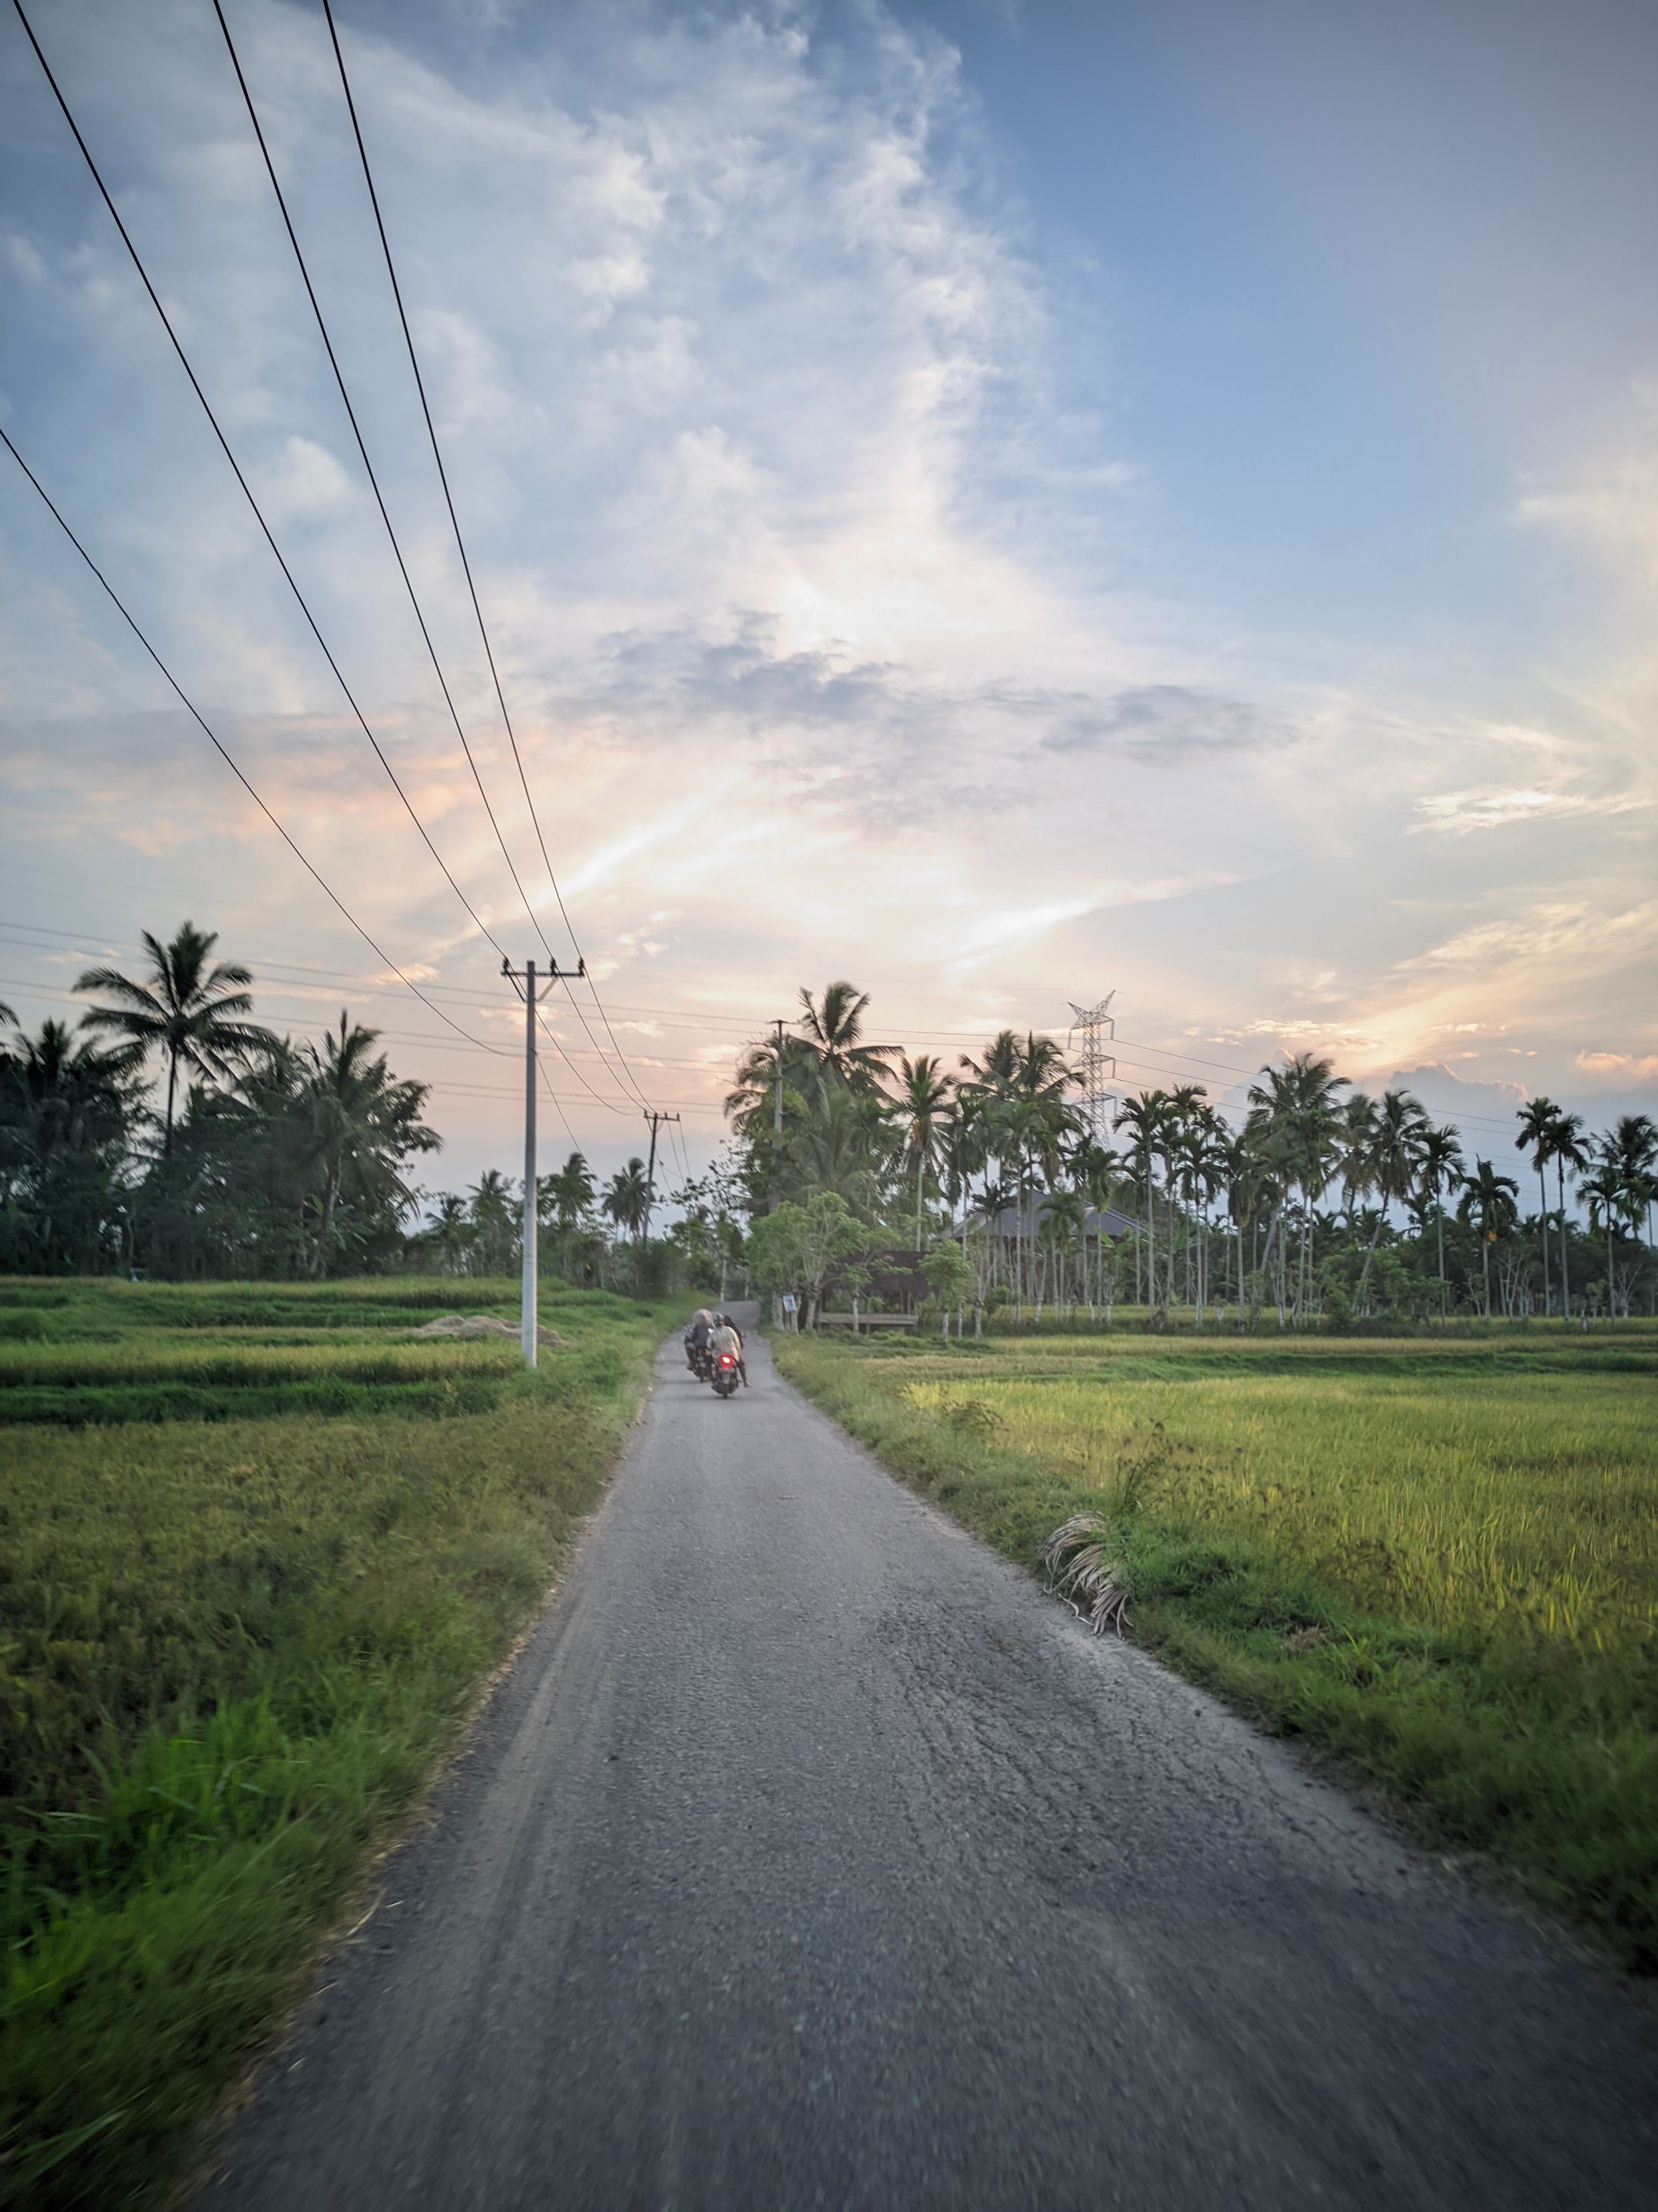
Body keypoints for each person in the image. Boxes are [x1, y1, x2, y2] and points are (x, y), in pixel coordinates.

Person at [709, 1313, 747, 1386]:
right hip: (732, 1354)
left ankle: (712, 1379)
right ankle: (745, 1382)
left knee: (710, 1363)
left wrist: (711, 1349)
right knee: (742, 1365)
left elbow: (709, 1344)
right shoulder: (730, 1330)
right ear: (723, 1322)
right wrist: (737, 1352)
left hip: (718, 1355)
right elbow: (737, 1342)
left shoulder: (713, 1333)